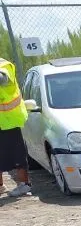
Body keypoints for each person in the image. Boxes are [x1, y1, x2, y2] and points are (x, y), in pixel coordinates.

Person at [0, 57, 31, 197]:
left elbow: (2, 79)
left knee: (17, 154)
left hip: (9, 121)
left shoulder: (4, 66)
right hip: (4, 121)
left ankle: (24, 185)